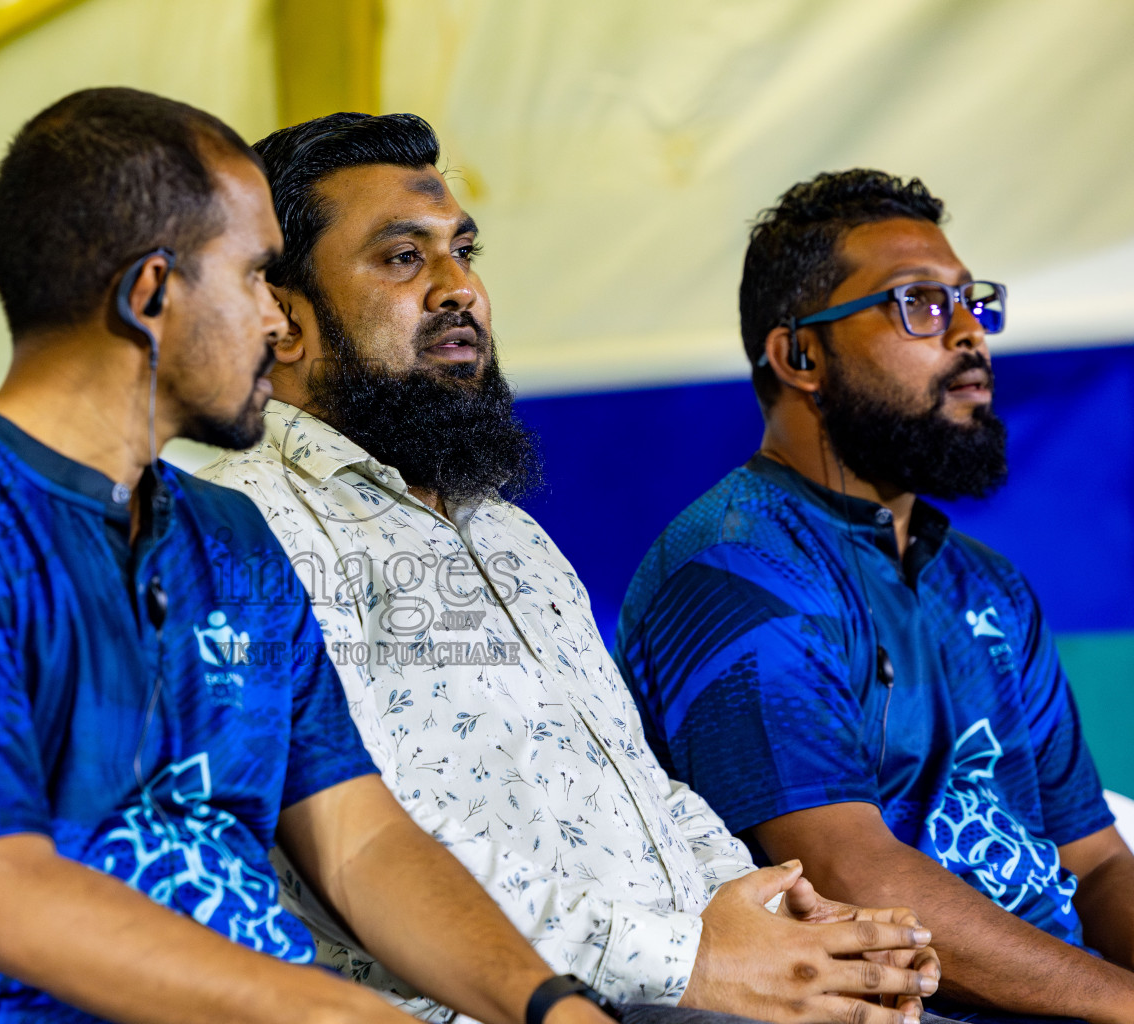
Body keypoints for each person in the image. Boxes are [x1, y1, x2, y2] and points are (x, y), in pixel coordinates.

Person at [0, 87, 634, 1024]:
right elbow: (3, 902)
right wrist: (340, 1016)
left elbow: (359, 842)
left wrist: (552, 1007)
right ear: (150, 295)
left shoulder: (227, 539)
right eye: (254, 278)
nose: (281, 324)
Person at [199, 112, 942, 1024]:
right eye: (402, 258)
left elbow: (637, 783)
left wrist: (784, 918)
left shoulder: (510, 537)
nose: (458, 289)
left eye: (463, 251)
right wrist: (691, 961)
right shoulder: (237, 530)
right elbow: (365, 851)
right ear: (281, 318)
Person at [617, 169, 1134, 1024]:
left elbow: (1100, 864)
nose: (969, 333)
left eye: (971, 302)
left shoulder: (989, 583)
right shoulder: (735, 569)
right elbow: (849, 876)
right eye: (919, 304)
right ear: (800, 356)